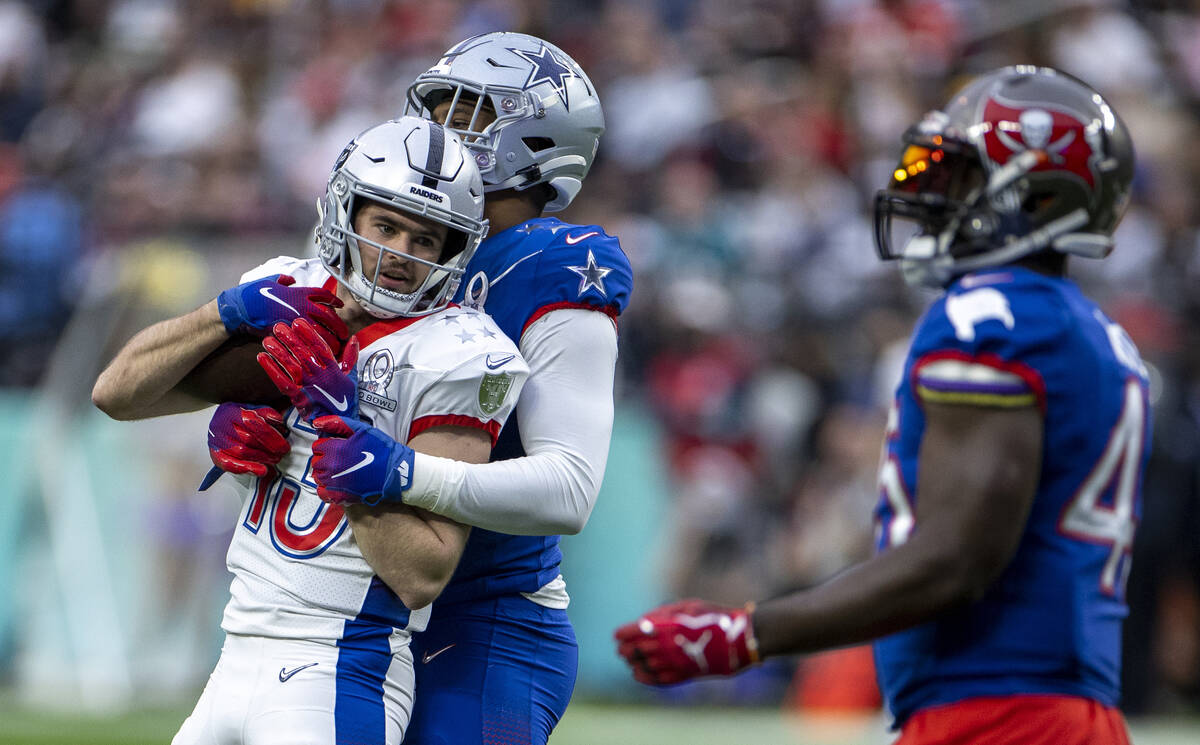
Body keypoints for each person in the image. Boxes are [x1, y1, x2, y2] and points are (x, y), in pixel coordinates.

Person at [615, 66, 1145, 745]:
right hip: (1055, 705)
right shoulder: (1095, 334)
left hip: (1000, 712)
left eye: (961, 177)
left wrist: (746, 632)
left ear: (1034, 196)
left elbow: (956, 557)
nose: (933, 194)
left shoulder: (995, 317)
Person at [204, 31, 634, 745]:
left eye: (465, 112)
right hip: (361, 617)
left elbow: (569, 489)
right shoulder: (397, 237)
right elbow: (343, 417)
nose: (437, 131)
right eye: (435, 107)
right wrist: (254, 423)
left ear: (536, 137)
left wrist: (404, 473)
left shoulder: (553, 265)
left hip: (486, 617)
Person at [93, 116, 530, 745]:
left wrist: (334, 432)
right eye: (386, 225)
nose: (400, 254)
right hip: (236, 649)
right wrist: (224, 314)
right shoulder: (289, 292)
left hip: (342, 664)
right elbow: (118, 394)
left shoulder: (460, 354)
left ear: (452, 251)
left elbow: (422, 575)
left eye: (425, 238)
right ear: (347, 216)